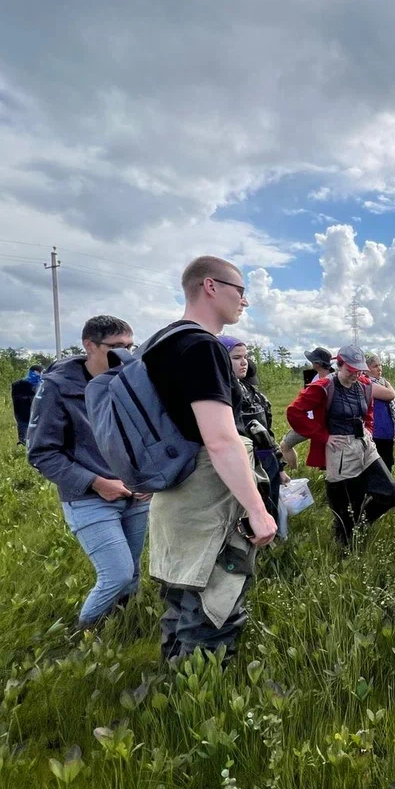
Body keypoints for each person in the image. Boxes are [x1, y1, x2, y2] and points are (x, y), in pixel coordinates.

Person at [142, 256, 277, 665]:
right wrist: (258, 510)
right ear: (210, 286)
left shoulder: (160, 343)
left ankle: (172, 693)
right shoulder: (202, 347)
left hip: (172, 492)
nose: (245, 302)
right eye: (240, 291)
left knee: (182, 599)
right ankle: (202, 709)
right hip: (207, 500)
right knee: (214, 606)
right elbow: (220, 440)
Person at [28, 316, 149, 630]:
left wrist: (146, 477)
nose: (125, 355)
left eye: (130, 347)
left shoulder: (126, 382)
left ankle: (122, 630)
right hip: (88, 497)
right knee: (117, 573)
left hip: (135, 493)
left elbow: (142, 435)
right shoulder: (57, 388)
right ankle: (87, 635)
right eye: (116, 347)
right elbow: (42, 454)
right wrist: (96, 483)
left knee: (132, 574)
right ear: (89, 346)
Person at [287, 344, 395, 546]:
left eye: (358, 370)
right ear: (339, 365)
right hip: (339, 449)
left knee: (390, 494)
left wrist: (369, 431)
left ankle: (361, 525)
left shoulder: (365, 385)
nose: (355, 375)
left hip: (365, 445)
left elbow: (369, 411)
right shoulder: (323, 386)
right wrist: (323, 436)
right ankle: (345, 547)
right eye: (350, 370)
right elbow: (295, 412)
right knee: (346, 507)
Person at [219, 337, 286, 517]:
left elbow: (267, 431)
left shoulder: (253, 392)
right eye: (236, 357)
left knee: (269, 505)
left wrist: (279, 466)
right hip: (241, 463)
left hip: (265, 458)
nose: (244, 362)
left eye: (246, 357)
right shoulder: (220, 395)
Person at [366, 353, 395, 472]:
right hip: (376, 433)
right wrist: (390, 386)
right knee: (379, 467)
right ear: (366, 369)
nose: (379, 368)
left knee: (387, 465)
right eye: (375, 366)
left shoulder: (380, 382)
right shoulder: (367, 383)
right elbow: (390, 395)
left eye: (380, 365)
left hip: (385, 433)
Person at [11, 365, 43, 444]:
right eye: (37, 373)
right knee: (24, 436)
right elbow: (17, 398)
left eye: (40, 373)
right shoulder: (18, 384)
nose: (39, 375)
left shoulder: (41, 384)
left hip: (36, 413)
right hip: (23, 413)